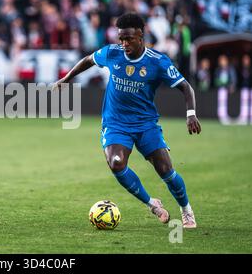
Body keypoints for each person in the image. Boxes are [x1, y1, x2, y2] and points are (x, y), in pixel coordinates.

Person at [54, 13, 201, 228]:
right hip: (116, 123)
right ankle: (152, 204)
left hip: (145, 124)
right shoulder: (112, 53)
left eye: (128, 39)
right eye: (121, 39)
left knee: (166, 171)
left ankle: (186, 209)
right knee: (116, 162)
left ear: (140, 35)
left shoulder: (157, 61)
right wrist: (66, 78)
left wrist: (191, 114)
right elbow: (88, 60)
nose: (123, 44)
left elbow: (185, 87)